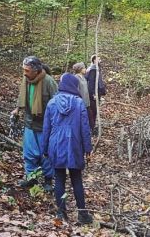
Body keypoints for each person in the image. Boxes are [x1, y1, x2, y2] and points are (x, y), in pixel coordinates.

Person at [42, 73, 93, 224]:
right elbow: (85, 128)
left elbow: (46, 128)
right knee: (76, 178)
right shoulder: (79, 103)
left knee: (59, 178)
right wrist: (88, 148)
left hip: (56, 143)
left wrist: (44, 148)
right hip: (74, 144)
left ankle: (61, 213)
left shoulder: (52, 103)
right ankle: (82, 214)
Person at [11, 56, 58, 190]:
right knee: (29, 153)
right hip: (29, 123)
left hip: (45, 126)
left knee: (46, 154)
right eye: (23, 70)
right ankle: (31, 178)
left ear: (36, 71)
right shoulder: (25, 80)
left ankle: (48, 180)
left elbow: (56, 102)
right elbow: (22, 97)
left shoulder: (49, 82)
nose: (24, 73)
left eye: (27, 70)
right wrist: (17, 109)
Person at [85, 55, 106, 132]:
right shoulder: (93, 69)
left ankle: (92, 127)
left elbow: (99, 81)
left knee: (94, 111)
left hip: (97, 92)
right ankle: (91, 128)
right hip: (93, 94)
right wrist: (93, 94)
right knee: (93, 111)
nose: (100, 60)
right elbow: (91, 82)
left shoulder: (97, 68)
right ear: (94, 60)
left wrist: (102, 90)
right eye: (98, 59)